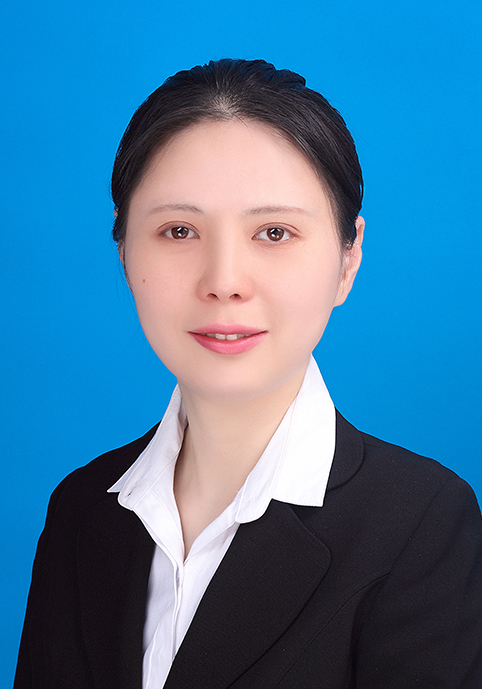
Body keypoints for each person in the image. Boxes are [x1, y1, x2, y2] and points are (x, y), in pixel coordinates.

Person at [14, 59, 482, 689]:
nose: (224, 282)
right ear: (123, 252)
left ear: (348, 260)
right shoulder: (80, 509)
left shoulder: (422, 524)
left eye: (274, 232)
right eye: (179, 230)